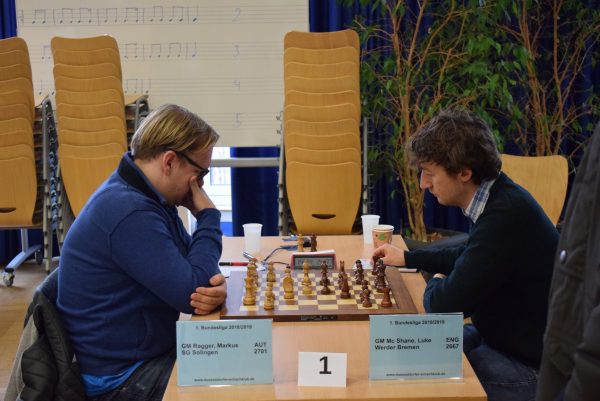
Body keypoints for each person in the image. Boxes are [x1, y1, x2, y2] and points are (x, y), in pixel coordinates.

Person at [372, 109, 559, 401]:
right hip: (501, 338)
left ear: (464, 172)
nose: (423, 183)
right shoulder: (498, 196)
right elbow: (471, 254)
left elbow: (443, 305)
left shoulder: (505, 216)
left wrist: (436, 279)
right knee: (407, 355)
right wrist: (409, 259)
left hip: (530, 366)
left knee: (419, 382)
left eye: (429, 173)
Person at [57, 104, 227, 401]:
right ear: (170, 161)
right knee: (238, 379)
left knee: (241, 360)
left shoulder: (147, 196)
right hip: (119, 377)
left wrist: (213, 285)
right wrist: (208, 216)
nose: (199, 186)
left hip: (139, 356)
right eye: (200, 174)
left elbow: (197, 270)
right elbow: (192, 292)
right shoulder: (129, 210)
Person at [536, 125, 600, 401]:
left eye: (429, 174)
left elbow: (448, 299)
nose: (423, 185)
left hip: (577, 364)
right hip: (567, 348)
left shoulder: (504, 210)